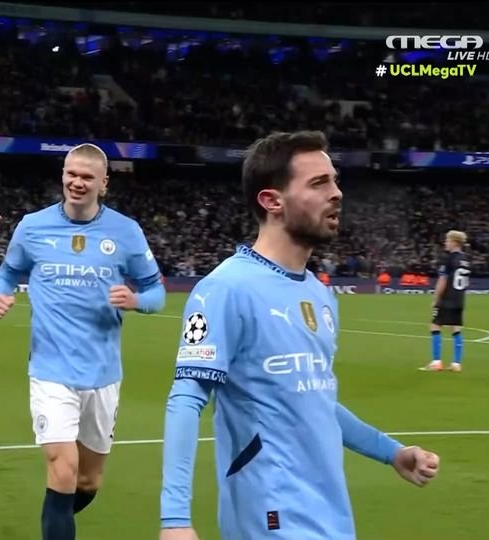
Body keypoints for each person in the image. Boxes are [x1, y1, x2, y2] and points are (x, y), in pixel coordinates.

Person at [159, 131, 441, 540]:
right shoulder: (225, 288)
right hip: (270, 512)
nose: (337, 193)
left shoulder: (319, 294)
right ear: (272, 201)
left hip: (329, 513)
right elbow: (186, 399)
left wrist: (391, 452)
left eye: (335, 180)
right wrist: (175, 520)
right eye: (319, 183)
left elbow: (314, 401)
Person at [0, 143, 166, 540]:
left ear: (104, 183)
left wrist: (136, 301)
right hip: (50, 371)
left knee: (87, 481)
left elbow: (157, 293)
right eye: (71, 174)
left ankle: (55, 517)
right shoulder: (33, 227)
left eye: (87, 177)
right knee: (63, 468)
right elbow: (5, 275)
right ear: (62, 176)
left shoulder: (126, 232)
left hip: (103, 375)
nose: (77, 182)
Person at [420, 230, 470, 372]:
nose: (445, 243)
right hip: (459, 299)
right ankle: (456, 363)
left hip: (447, 298)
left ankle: (436, 362)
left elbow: (442, 280)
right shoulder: (465, 260)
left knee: (435, 326)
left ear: (454, 242)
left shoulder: (448, 259)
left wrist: (436, 298)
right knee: (456, 328)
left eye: (447, 240)